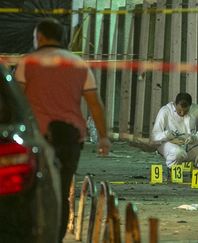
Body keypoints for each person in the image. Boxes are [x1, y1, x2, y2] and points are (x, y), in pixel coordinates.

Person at [14, 18, 111, 242]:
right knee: (61, 191)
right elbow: (95, 104)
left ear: (40, 37)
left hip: (36, 139)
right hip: (70, 137)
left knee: (30, 191)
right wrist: (103, 138)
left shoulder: (27, 63)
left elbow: (17, 100)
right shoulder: (78, 63)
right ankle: (55, 238)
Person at [151, 92, 198, 169]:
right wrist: (169, 137)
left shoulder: (196, 109)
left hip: (188, 146)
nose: (182, 113)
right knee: (178, 153)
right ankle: (172, 169)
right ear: (175, 104)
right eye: (179, 110)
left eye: (186, 111)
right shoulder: (165, 111)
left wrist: (196, 137)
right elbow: (154, 136)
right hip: (169, 146)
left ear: (190, 106)